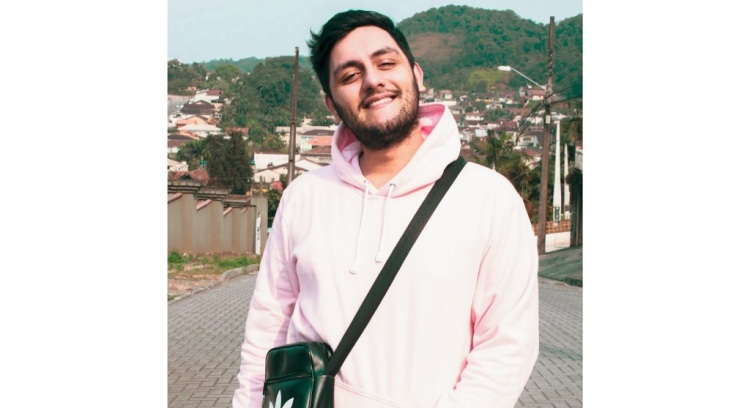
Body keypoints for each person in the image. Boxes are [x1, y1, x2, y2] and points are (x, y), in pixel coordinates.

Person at [233, 9, 539, 408]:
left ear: (416, 74)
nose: (372, 80)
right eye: (350, 75)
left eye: (386, 63)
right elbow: (267, 330)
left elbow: (506, 347)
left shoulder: (489, 198)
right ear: (331, 104)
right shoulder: (303, 197)